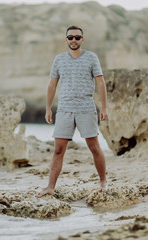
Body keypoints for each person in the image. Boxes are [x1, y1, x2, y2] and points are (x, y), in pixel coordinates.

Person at [36, 25, 108, 198]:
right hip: (64, 110)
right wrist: (48, 109)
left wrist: (104, 107)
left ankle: (103, 182)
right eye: (70, 37)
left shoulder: (91, 57)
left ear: (82, 39)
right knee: (59, 150)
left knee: (94, 147)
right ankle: (50, 187)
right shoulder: (59, 59)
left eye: (77, 37)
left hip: (86, 108)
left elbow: (100, 83)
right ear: (66, 40)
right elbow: (52, 84)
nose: (74, 40)